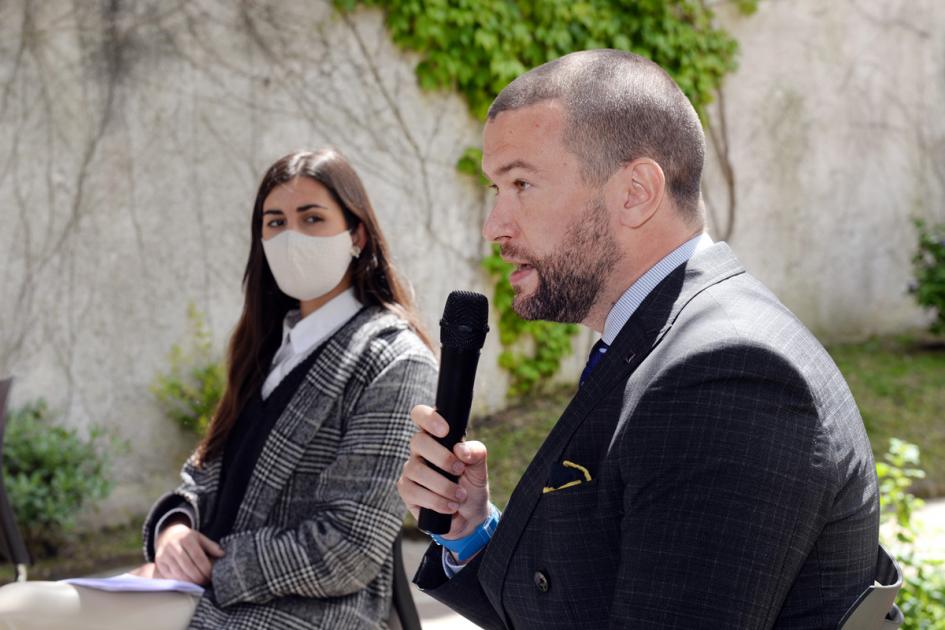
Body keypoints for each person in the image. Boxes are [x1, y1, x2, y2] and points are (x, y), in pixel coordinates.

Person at [397, 50, 881, 628]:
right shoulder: (666, 339)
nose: (494, 226)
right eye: (496, 188)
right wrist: (472, 529)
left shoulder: (727, 375)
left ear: (635, 192)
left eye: (521, 183)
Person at [0, 149, 437, 629]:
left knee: (21, 613)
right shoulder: (269, 346)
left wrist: (212, 565)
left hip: (307, 610)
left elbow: (349, 547)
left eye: (312, 218)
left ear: (356, 234)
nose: (291, 237)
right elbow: (203, 475)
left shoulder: (395, 362)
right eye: (276, 222)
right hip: (201, 589)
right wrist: (174, 530)